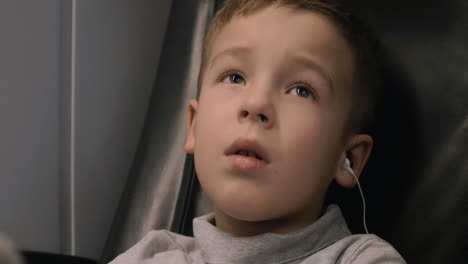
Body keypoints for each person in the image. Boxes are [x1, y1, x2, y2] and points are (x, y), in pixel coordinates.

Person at [110, 0, 406, 263]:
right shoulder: (151, 255)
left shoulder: (363, 260)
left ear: (347, 158)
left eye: (301, 90)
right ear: (194, 128)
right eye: (235, 77)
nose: (256, 104)